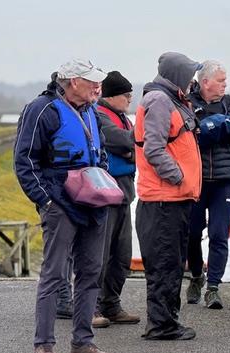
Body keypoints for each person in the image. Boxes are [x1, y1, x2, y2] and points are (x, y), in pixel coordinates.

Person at [14, 59, 113, 353]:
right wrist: (45, 202)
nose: (98, 87)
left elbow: (102, 153)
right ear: (72, 82)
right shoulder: (42, 109)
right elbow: (25, 161)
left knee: (90, 272)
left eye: (99, 81)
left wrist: (103, 179)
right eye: (91, 81)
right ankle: (43, 345)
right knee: (55, 274)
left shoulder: (92, 110)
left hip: (94, 203)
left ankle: (82, 343)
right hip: (60, 202)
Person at [134, 52, 202, 340]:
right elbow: (154, 148)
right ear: (178, 76)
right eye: (189, 76)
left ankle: (167, 321)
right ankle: (161, 325)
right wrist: (179, 177)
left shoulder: (170, 99)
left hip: (172, 198)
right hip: (163, 199)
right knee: (164, 263)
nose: (192, 82)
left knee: (172, 262)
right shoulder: (160, 101)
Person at [186, 60, 230, 308]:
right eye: (221, 80)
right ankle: (196, 275)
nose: (225, 84)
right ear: (205, 82)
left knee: (219, 235)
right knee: (192, 233)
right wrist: (210, 129)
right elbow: (187, 141)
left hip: (225, 180)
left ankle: (213, 287)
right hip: (196, 180)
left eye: (226, 80)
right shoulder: (189, 103)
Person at [93, 71, 140, 328]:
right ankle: (90, 307)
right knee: (100, 253)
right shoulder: (99, 115)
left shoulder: (123, 117)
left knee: (122, 255)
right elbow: (120, 140)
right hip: (105, 191)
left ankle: (111, 304)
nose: (130, 100)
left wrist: (129, 150)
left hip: (125, 191)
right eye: (127, 95)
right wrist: (130, 149)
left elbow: (131, 146)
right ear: (113, 96)